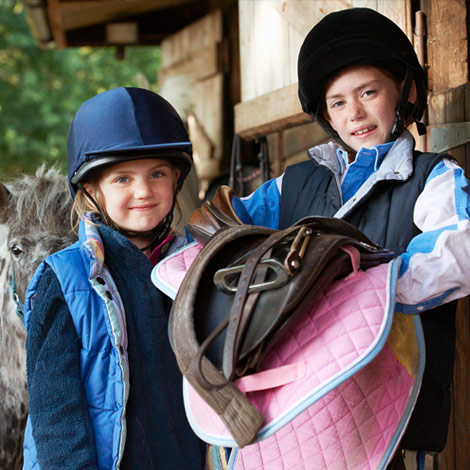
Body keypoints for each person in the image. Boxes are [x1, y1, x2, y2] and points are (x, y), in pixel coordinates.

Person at [221, 7, 470, 470]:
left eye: (368, 92)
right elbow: (228, 229)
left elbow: (456, 253)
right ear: (325, 114)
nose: (354, 113)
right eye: (337, 102)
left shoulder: (432, 178)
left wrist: (336, 283)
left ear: (405, 92)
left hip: (392, 413)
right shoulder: (291, 185)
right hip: (296, 409)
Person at [22, 87, 205, 470]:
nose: (144, 191)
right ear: (91, 190)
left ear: (175, 178)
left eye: (157, 174)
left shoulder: (196, 266)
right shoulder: (66, 280)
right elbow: (57, 417)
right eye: (122, 179)